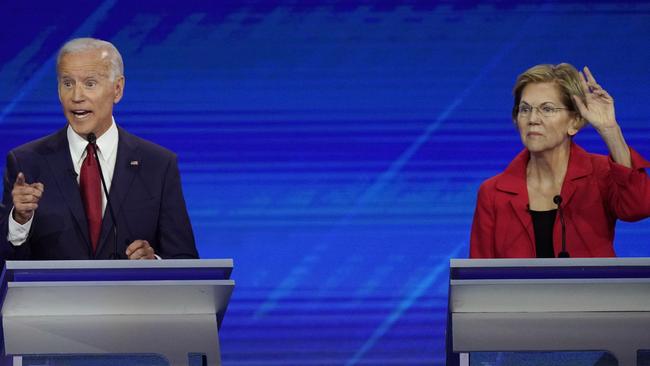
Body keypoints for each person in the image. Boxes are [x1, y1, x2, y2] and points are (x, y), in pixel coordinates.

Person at [0, 38, 198, 261]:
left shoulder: (159, 165)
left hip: (130, 296)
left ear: (117, 89)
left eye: (90, 83)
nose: (76, 96)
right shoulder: (26, 163)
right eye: (67, 83)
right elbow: (5, 267)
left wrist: (154, 264)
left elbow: (185, 260)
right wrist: (19, 221)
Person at [470, 63, 650, 258]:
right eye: (524, 109)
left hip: (591, 289)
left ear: (575, 122)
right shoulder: (493, 193)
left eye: (547, 109)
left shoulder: (601, 175)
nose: (533, 119)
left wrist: (610, 130)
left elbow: (639, 207)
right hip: (518, 290)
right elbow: (479, 279)